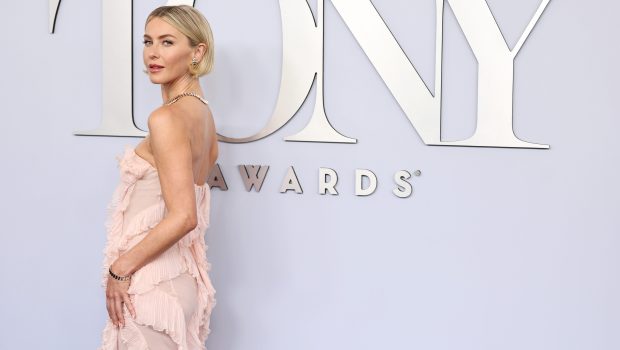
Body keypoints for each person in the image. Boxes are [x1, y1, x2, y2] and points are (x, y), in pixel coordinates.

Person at [99, 5, 218, 349]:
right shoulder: (203, 115)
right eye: (148, 41)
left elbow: (183, 215)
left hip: (153, 287)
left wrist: (120, 269)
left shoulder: (166, 118)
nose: (153, 52)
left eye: (167, 42)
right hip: (180, 282)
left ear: (197, 51)